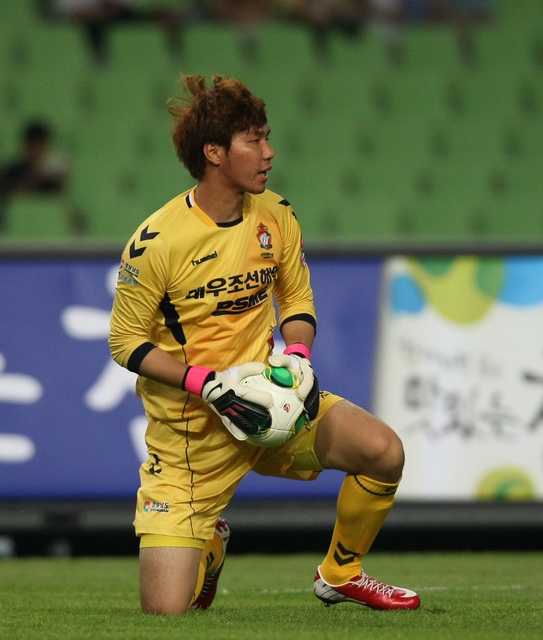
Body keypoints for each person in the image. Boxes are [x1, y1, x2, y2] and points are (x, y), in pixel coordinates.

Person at [109, 74, 420, 615]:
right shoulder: (156, 243)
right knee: (166, 615)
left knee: (383, 452)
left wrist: (297, 356)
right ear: (214, 153)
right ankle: (209, 544)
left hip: (274, 403)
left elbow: (295, 299)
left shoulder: (276, 213)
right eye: (253, 140)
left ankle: (341, 572)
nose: (269, 152)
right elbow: (125, 342)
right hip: (192, 435)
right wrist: (206, 384)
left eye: (266, 137)